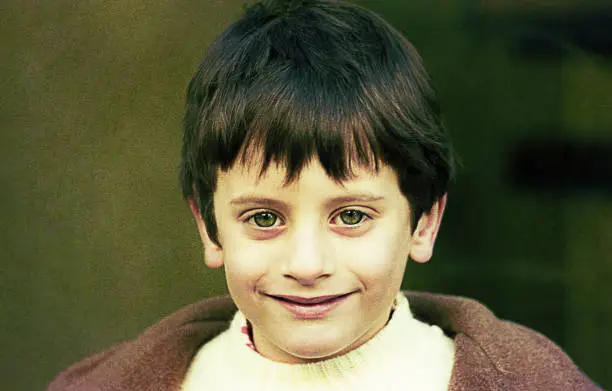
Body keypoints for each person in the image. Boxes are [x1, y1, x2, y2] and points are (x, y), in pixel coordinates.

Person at [47, 0, 602, 390]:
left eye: (352, 215)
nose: (307, 264)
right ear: (209, 228)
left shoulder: (528, 383)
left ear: (424, 223)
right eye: (264, 218)